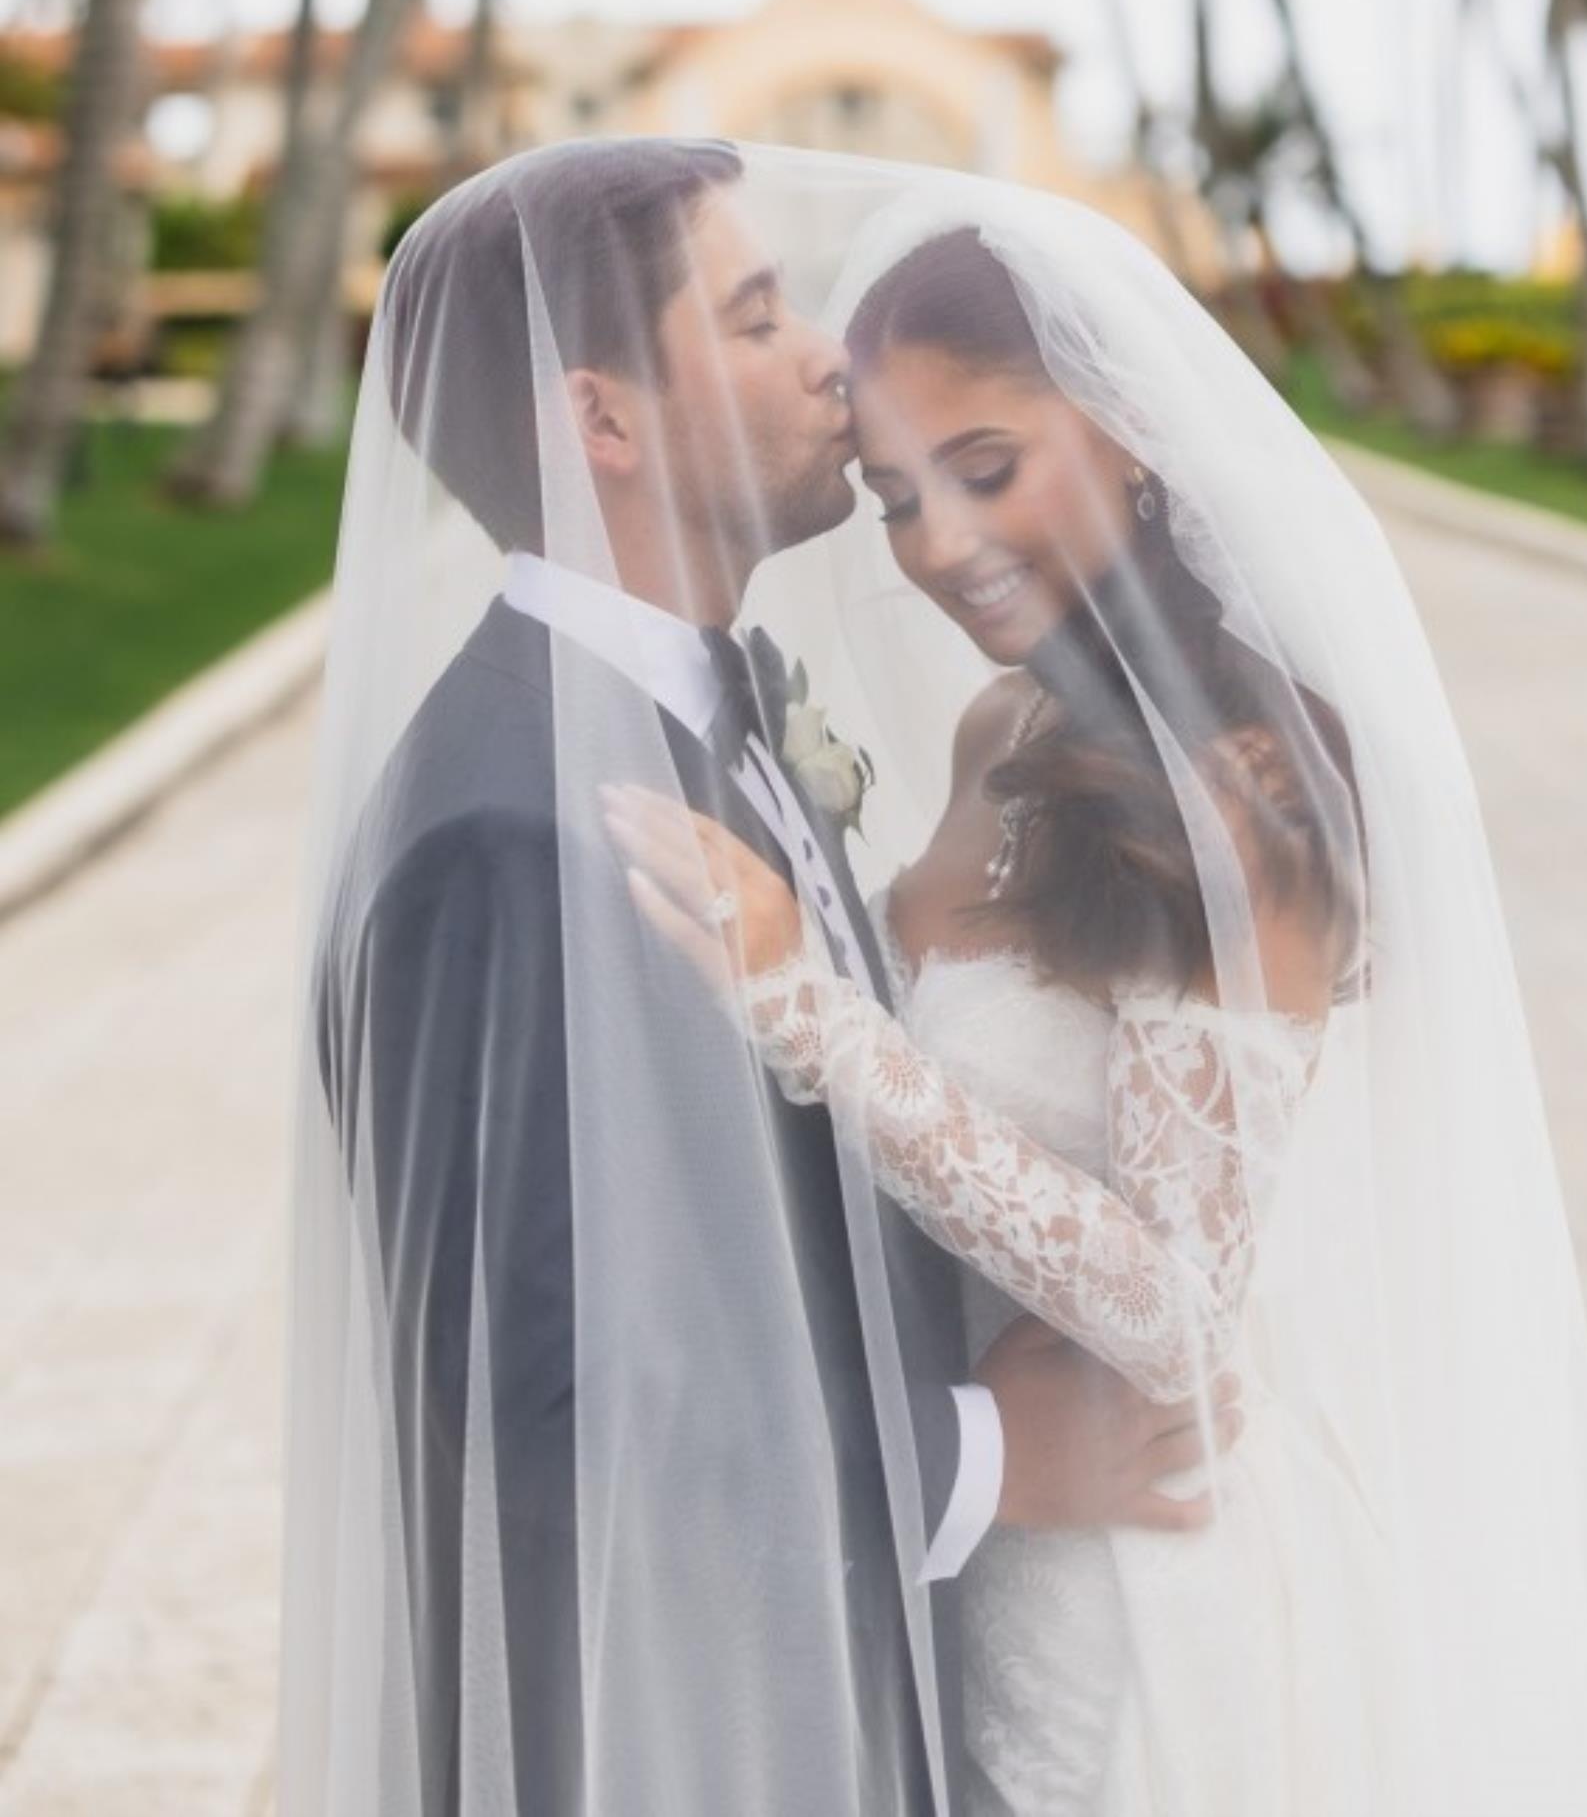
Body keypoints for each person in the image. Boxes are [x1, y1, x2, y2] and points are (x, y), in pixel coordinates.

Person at [610, 191, 1587, 1815]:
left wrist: (805, 1011)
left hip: (1148, 1589)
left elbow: (1180, 1304)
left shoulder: (1241, 799)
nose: (939, 547)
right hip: (1000, 1540)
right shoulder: (1002, 732)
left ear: (1131, 437)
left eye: (986, 467)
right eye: (897, 497)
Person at [281, 141, 1240, 1817]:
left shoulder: (707, 719)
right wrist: (990, 1454)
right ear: (604, 421)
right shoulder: (502, 827)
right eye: (755, 315)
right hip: (676, 1741)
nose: (827, 356)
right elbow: (539, 1410)